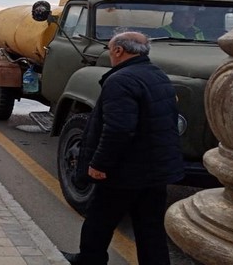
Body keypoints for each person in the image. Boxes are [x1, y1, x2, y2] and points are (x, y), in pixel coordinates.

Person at [61, 31, 184, 265]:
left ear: (118, 51)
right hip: (156, 167)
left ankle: (89, 260)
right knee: (150, 226)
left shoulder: (121, 80)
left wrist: (99, 164)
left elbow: (118, 129)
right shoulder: (157, 75)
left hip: (127, 169)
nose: (109, 54)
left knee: (100, 219)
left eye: (109, 49)